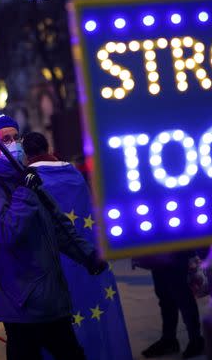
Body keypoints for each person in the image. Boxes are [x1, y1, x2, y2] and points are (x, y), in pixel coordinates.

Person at [0, 115, 108, 360]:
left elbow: (58, 226)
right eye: (6, 139)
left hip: (50, 299)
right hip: (22, 306)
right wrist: (24, 191)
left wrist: (88, 255)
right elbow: (7, 231)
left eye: (16, 138)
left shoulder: (26, 179)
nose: (14, 143)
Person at [22, 132, 134, 360]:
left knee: (65, 323)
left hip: (55, 262)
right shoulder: (73, 173)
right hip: (87, 253)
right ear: (48, 147)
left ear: (26, 155)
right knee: (94, 308)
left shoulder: (29, 179)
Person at [133, 250, 205, 358]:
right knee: (165, 297)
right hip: (156, 251)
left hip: (175, 249)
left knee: (183, 297)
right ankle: (169, 340)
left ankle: (195, 341)